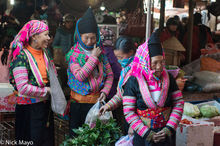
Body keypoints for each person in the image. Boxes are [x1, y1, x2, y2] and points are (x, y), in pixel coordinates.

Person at [122, 32, 184, 146]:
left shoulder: (169, 78)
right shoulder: (134, 81)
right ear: (145, 62)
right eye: (155, 63)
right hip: (143, 137)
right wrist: (148, 134)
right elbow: (128, 111)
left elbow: (178, 104)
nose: (159, 67)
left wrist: (168, 129)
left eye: (162, 61)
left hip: (166, 137)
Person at [67, 7, 113, 137]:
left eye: (93, 38)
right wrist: (93, 58)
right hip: (78, 106)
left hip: (96, 104)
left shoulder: (101, 54)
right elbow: (80, 76)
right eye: (86, 37)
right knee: (77, 139)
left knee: (94, 138)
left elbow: (110, 75)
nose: (89, 41)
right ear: (79, 36)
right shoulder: (73, 55)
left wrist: (105, 91)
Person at [9, 20, 55, 146]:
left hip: (44, 108)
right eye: (45, 34)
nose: (48, 38)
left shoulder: (45, 54)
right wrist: (47, 91)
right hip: (28, 111)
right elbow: (23, 88)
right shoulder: (21, 56)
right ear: (34, 36)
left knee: (46, 141)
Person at [99, 36, 136, 134]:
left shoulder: (138, 70)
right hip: (129, 116)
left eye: (121, 57)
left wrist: (134, 124)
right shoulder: (125, 70)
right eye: (117, 57)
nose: (119, 60)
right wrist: (107, 106)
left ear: (131, 52)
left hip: (138, 119)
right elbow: (120, 94)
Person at [100, 26, 121, 100]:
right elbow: (117, 72)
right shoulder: (111, 53)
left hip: (100, 89)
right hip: (110, 90)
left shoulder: (98, 51)